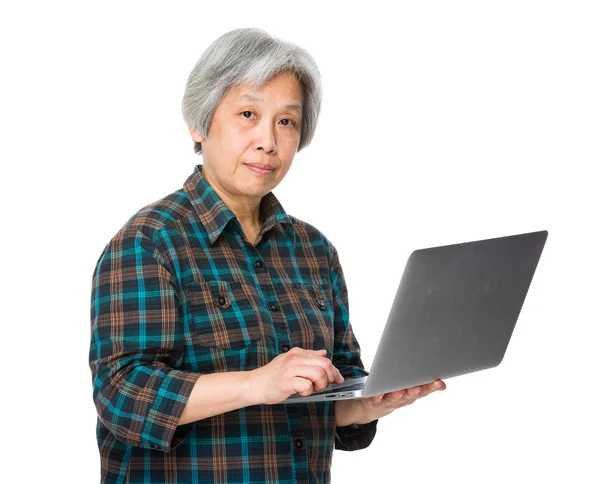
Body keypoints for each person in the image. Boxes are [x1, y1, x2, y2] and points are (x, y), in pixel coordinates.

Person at [89, 27, 446, 483]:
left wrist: (364, 403)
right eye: (247, 114)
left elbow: (325, 399)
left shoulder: (315, 252)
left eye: (286, 121)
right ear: (199, 123)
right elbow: (122, 397)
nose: (268, 141)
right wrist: (257, 383)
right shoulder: (149, 242)